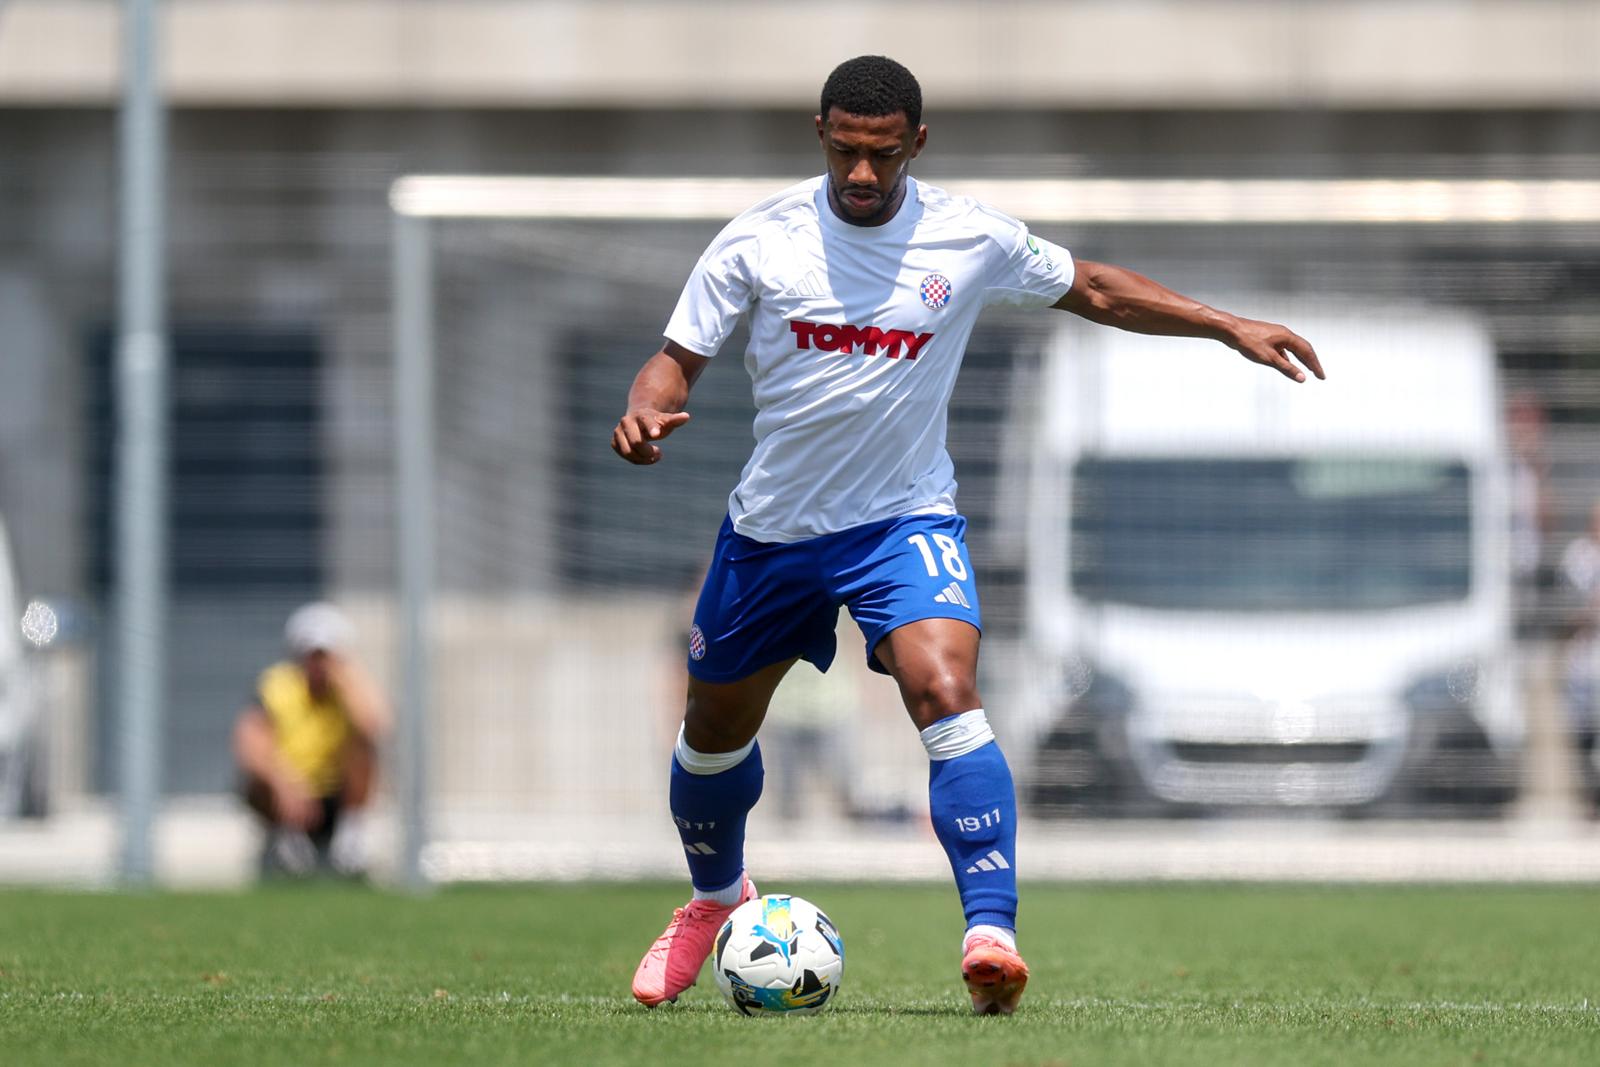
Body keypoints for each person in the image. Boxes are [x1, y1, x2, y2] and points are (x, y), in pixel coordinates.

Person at [612, 55, 1322, 1015]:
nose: (864, 175)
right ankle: (713, 899)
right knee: (711, 734)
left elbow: (1098, 288)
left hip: (903, 520)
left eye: (885, 155)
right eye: (849, 152)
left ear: (917, 142)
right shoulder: (758, 241)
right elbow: (674, 360)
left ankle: (991, 931)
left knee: (947, 690)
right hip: (773, 531)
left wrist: (1224, 323)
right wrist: (644, 411)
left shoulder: (966, 236)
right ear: (820, 131)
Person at [233, 602, 390, 877]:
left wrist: (348, 681)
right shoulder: (276, 685)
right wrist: (284, 783)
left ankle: (350, 840)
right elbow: (248, 744)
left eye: (325, 656)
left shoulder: (350, 689)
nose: (318, 665)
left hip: (336, 794)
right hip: (290, 791)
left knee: (365, 749)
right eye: (312, 655)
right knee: (256, 782)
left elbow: (376, 725)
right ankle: (286, 840)